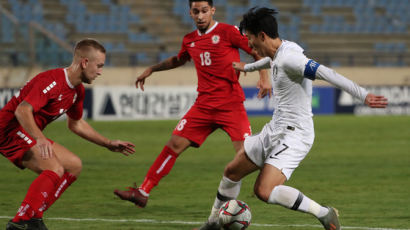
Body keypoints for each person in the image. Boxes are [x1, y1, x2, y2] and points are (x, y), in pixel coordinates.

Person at [194, 7, 389, 230]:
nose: (248, 45)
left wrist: (363, 95)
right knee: (232, 171)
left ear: (262, 36)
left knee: (263, 191)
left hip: (295, 134)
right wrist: (247, 67)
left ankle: (324, 214)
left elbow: (326, 73)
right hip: (276, 128)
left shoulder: (291, 59)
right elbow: (270, 61)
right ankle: (212, 224)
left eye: (249, 39)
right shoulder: (280, 50)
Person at [113, 0, 271, 207]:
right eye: (196, 11)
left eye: (204, 11)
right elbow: (178, 60)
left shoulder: (227, 31)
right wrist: (152, 68)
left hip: (230, 105)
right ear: (190, 13)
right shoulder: (189, 40)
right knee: (173, 145)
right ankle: (143, 191)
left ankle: (270, 187)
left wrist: (264, 77)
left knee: (246, 155)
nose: (200, 16)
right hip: (203, 106)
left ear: (212, 11)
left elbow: (256, 51)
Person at [0, 38, 136, 230]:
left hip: (27, 131)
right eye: (99, 66)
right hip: (9, 130)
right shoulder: (52, 81)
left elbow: (76, 124)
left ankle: (33, 217)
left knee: (73, 166)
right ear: (84, 62)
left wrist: (108, 143)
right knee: (54, 169)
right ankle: (21, 221)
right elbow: (22, 111)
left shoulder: (77, 91)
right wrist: (40, 139)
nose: (100, 72)